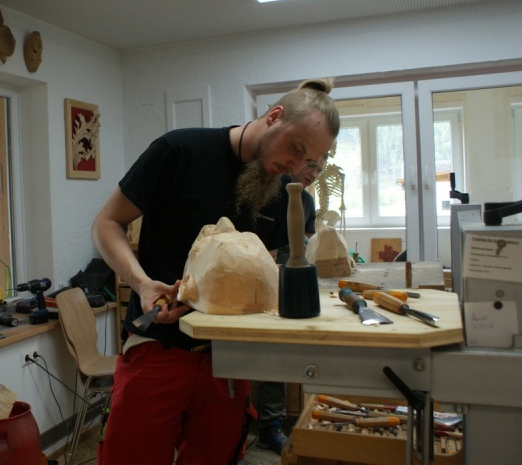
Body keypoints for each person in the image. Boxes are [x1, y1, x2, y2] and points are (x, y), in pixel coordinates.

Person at [91, 78, 339, 465]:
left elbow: (264, 274)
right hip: (158, 347)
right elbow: (106, 223)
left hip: (229, 359)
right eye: (296, 148)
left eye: (308, 160)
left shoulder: (279, 189)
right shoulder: (180, 151)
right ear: (274, 117)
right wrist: (141, 283)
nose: (296, 166)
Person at [257, 155, 327, 456]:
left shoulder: (306, 202)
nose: (314, 173)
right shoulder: (266, 191)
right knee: (265, 354)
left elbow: (307, 246)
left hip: (292, 280)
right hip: (258, 278)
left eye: (319, 169)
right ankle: (262, 427)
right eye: (310, 164)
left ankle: (283, 422)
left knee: (287, 350)